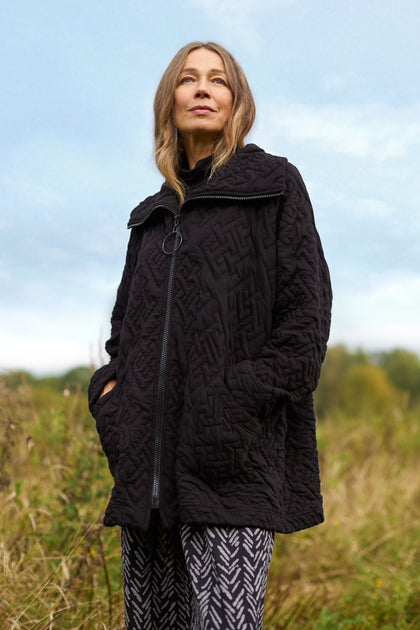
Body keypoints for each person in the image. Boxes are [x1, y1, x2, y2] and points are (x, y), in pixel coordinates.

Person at [88, 41, 332, 630]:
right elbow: (123, 337)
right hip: (146, 478)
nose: (202, 88)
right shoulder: (151, 215)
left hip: (231, 468)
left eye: (218, 80)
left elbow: (306, 321)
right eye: (188, 79)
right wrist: (111, 400)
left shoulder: (273, 185)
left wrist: (234, 401)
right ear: (169, 101)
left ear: (236, 101)